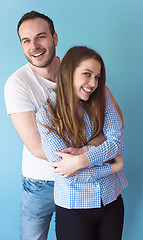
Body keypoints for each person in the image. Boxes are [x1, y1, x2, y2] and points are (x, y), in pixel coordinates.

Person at [4, 11, 124, 240]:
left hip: (92, 183)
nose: (34, 46)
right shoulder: (17, 84)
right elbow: (39, 148)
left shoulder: (81, 68)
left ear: (54, 38)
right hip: (41, 182)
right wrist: (112, 165)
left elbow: (117, 128)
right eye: (26, 40)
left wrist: (83, 154)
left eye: (41, 37)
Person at [36, 46, 128, 240]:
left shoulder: (101, 98)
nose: (93, 83)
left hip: (111, 200)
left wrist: (82, 159)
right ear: (69, 72)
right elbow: (68, 174)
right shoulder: (46, 114)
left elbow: (116, 143)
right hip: (74, 208)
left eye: (97, 77)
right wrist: (113, 167)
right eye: (87, 74)